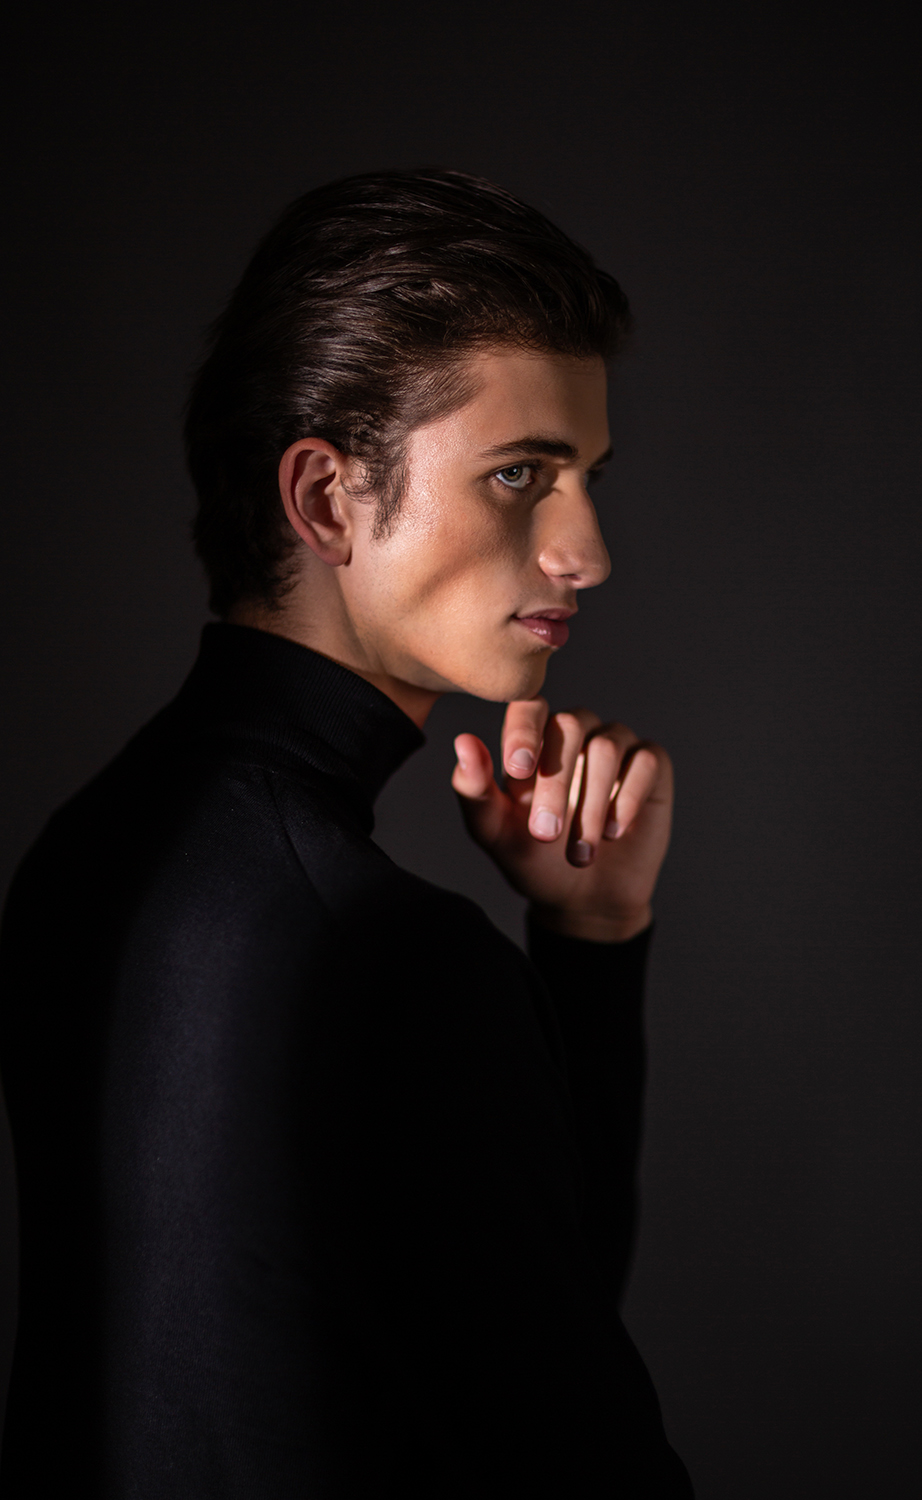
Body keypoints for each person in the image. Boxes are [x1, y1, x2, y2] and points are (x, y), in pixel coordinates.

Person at [0, 169, 693, 1495]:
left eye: (586, 479)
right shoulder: (389, 952)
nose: (587, 550)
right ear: (324, 501)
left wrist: (591, 925)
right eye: (520, 476)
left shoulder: (85, 853)